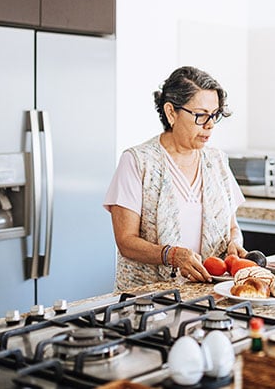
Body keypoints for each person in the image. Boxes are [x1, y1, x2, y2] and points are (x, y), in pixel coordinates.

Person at [104, 66, 247, 291]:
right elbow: (126, 241)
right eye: (201, 115)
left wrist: (234, 246)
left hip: (209, 294)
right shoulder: (137, 161)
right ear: (171, 113)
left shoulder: (217, 160)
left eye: (215, 115)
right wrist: (171, 255)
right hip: (147, 301)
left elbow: (232, 228)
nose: (210, 125)